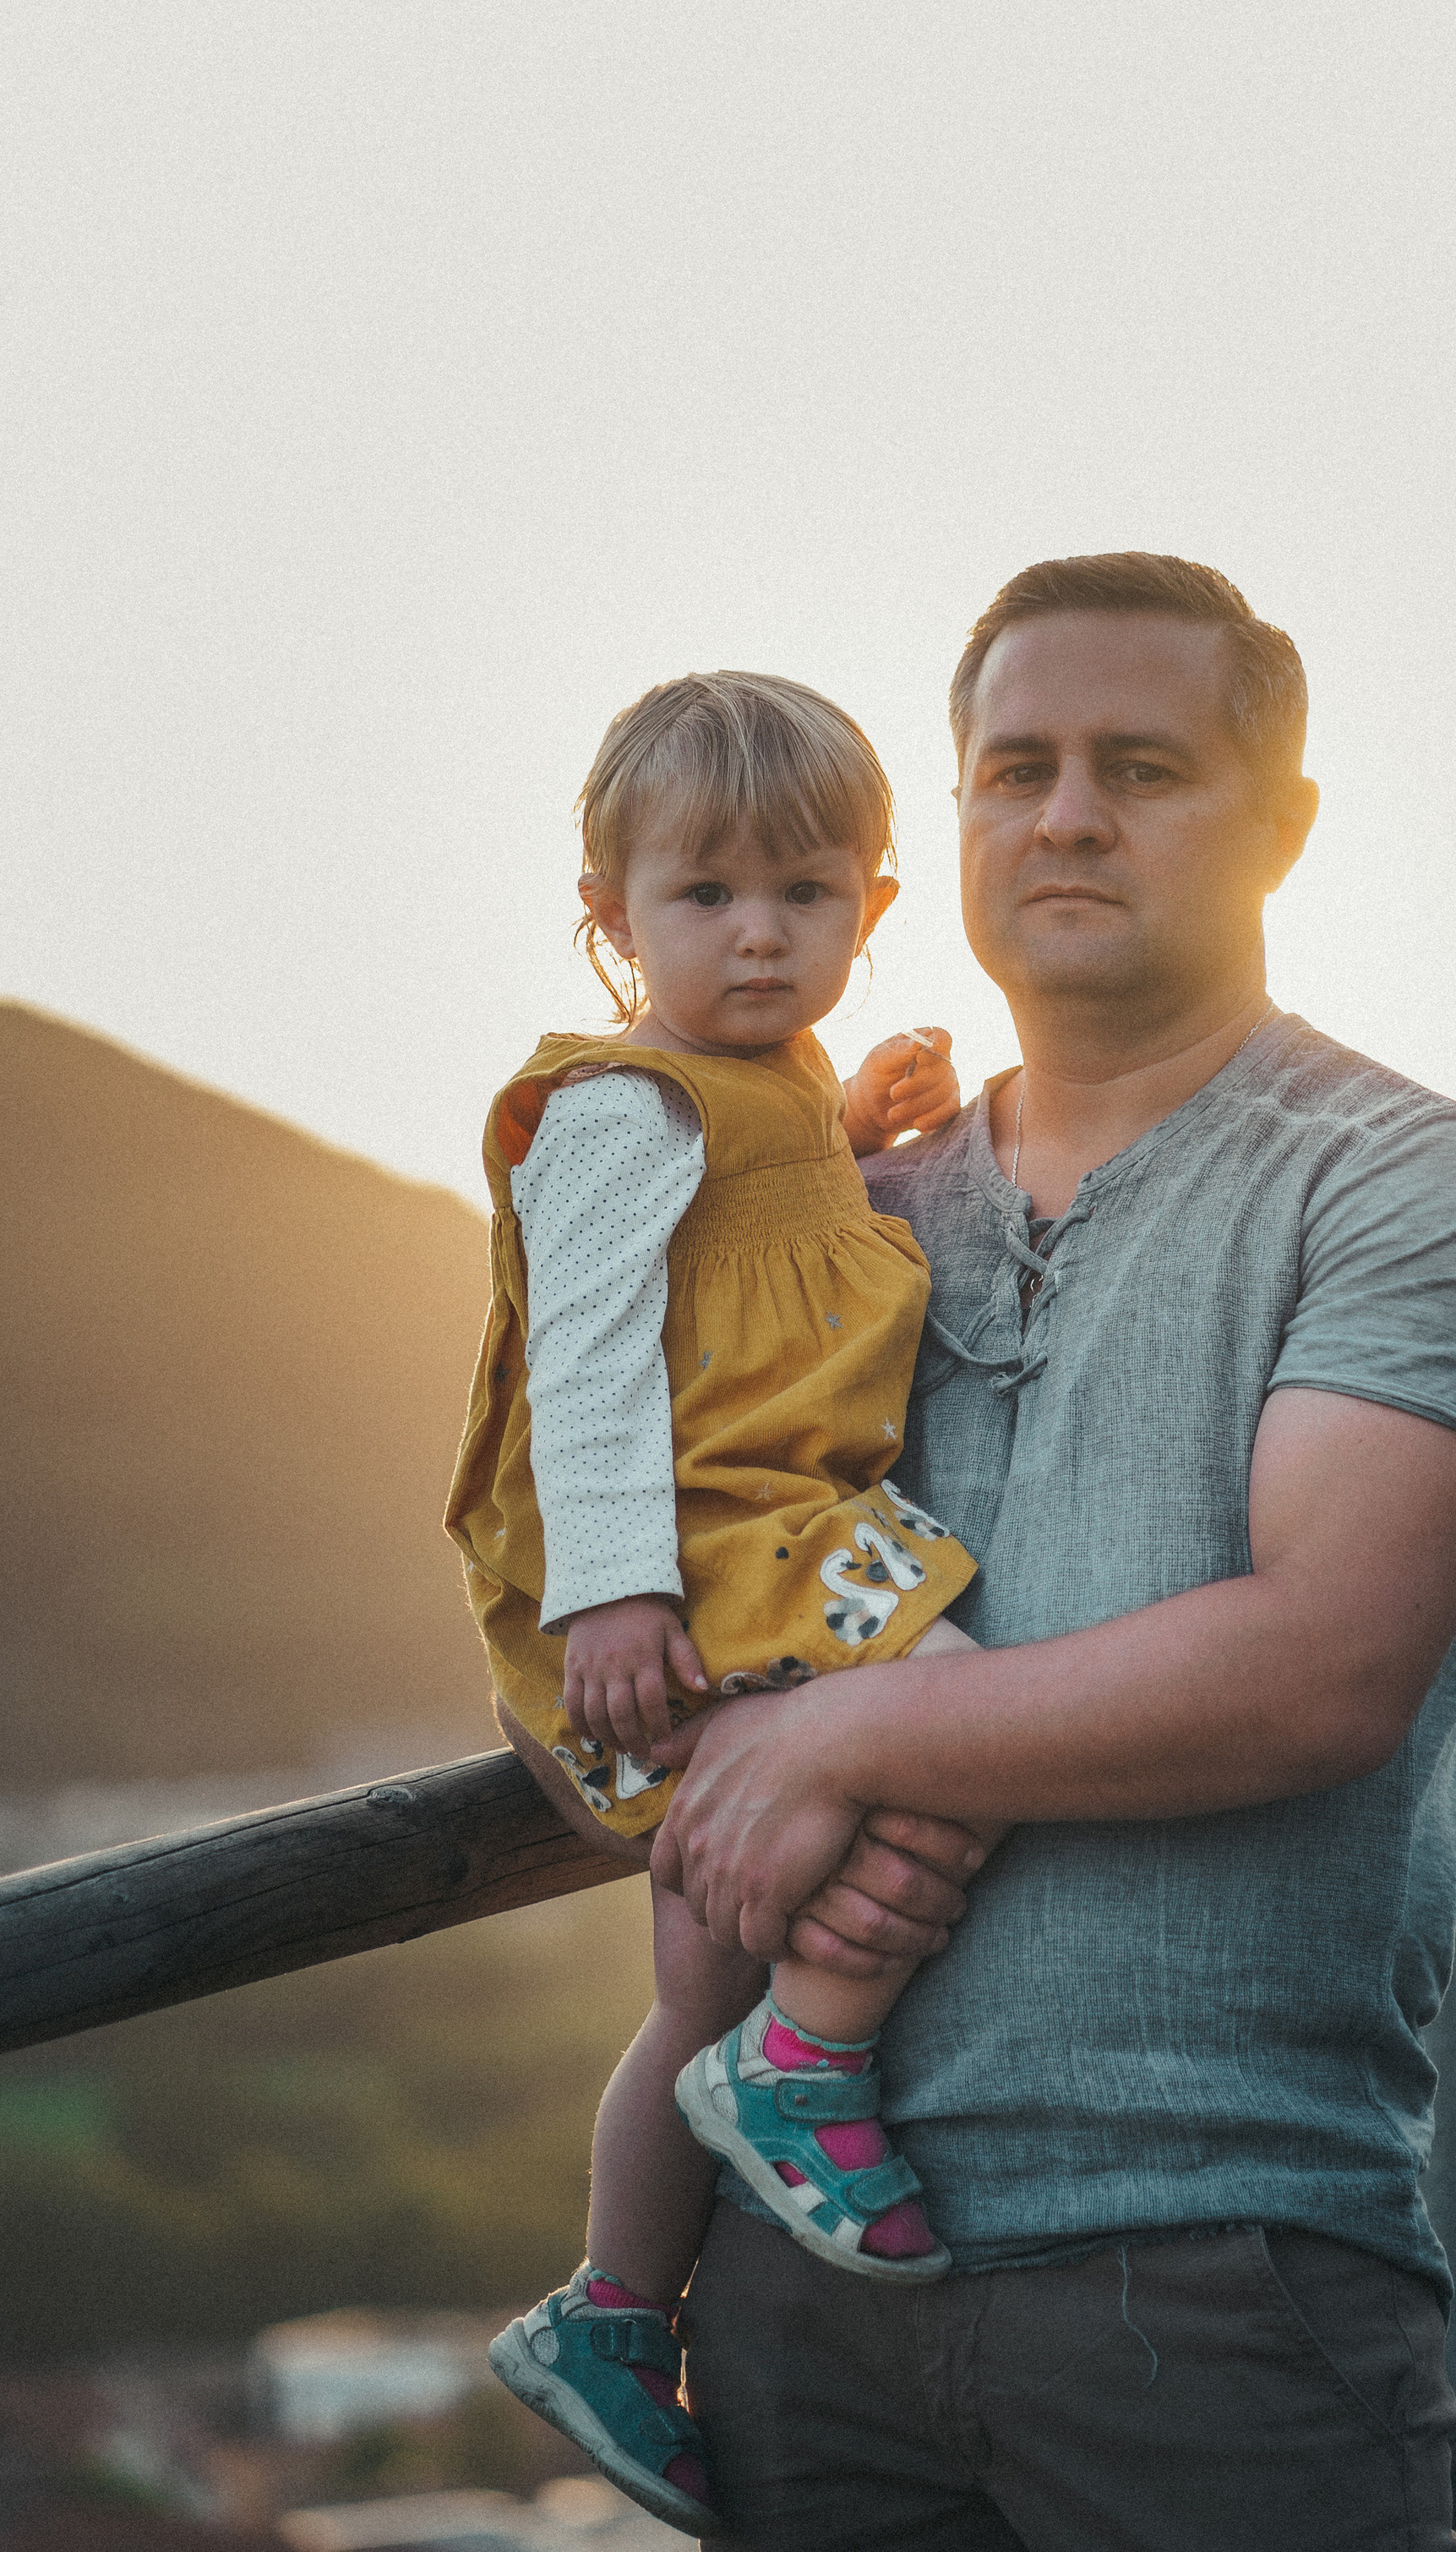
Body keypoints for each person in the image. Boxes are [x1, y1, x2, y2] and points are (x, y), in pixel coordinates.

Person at [653, 553, 1456, 2552]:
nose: (1065, 814)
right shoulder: (841, 1209)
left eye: (1140, 766)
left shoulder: (1403, 1182)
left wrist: (834, 1745)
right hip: (795, 2277)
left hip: (1210, 2269)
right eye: (1015, 768)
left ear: (1282, 824)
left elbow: (1317, 1668)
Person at [447, 669, 1001, 2534]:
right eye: (705, 898)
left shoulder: (750, 1094)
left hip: (731, 1537)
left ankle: (612, 2313)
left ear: (871, 902)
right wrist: (610, 1593)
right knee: (962, 1701)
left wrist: (844, 1130)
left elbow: (751, 1258)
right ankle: (812, 2058)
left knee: (696, 1950)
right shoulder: (615, 1111)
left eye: (805, 893)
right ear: (609, 916)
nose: (759, 933)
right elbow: (594, 1359)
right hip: (684, 1554)